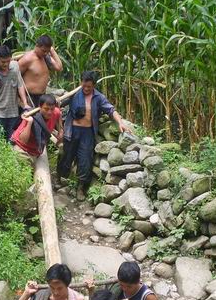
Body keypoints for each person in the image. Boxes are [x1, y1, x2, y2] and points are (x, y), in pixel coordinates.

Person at [57, 71, 130, 201]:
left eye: (89, 87)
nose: (86, 89)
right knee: (66, 155)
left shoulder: (99, 97)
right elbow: (57, 105)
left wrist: (120, 123)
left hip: (87, 133)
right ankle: (59, 179)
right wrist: (60, 127)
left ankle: (80, 188)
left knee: (85, 159)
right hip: (72, 131)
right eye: (84, 86)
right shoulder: (74, 94)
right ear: (81, 83)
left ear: (94, 85)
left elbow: (111, 110)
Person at [10, 94, 62, 159]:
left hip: (36, 151)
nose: (49, 112)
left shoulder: (56, 112)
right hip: (21, 148)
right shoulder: (31, 116)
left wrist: (60, 132)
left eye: (52, 109)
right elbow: (23, 140)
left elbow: (59, 115)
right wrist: (29, 122)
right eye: (46, 109)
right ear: (40, 107)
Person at [18, 35, 63, 107]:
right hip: (29, 97)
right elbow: (16, 78)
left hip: (42, 96)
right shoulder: (27, 59)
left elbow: (59, 68)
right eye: (43, 51)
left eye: (47, 51)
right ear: (37, 46)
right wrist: (24, 101)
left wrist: (52, 51)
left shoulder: (45, 57)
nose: (45, 53)